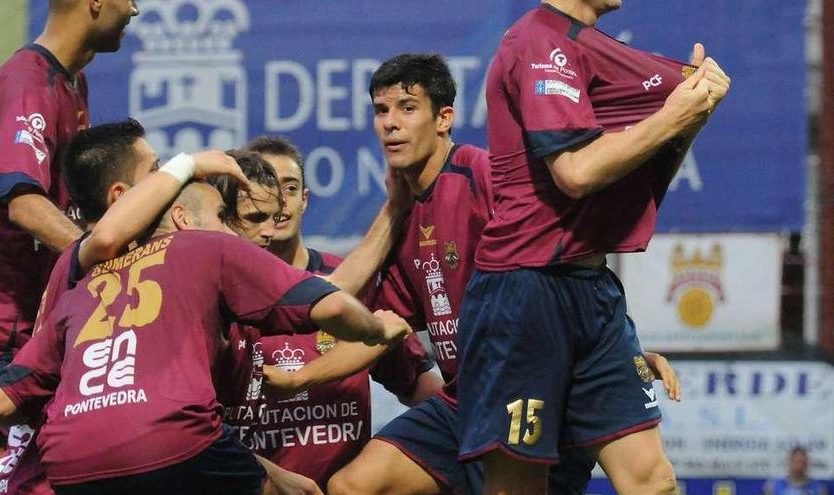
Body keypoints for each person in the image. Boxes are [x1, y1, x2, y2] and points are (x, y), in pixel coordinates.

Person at [325, 52, 682, 495]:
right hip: (466, 401)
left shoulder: (483, 175)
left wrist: (613, 352)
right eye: (382, 111)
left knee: (652, 482)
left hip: (535, 388)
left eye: (407, 107)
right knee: (351, 487)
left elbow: (563, 268)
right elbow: (385, 326)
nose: (390, 123)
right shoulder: (405, 215)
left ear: (444, 119)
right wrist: (300, 376)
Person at [0, 173, 411, 494]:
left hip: (72, 461)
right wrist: (376, 328)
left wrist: (86, 412)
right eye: (225, 216)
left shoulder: (84, 285)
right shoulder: (209, 249)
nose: (236, 230)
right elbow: (332, 303)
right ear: (184, 219)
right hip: (175, 440)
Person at [456, 1, 730, 494]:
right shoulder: (539, 41)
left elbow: (638, 158)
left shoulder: (592, 47)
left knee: (655, 482)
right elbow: (576, 172)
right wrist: (675, 113)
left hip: (594, 290)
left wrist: (693, 117)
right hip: (524, 292)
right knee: (517, 488)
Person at [0, 119, 253, 495]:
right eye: (156, 171)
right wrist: (189, 162)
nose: (170, 182)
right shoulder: (89, 260)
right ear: (121, 196)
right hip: (55, 480)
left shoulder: (129, 262)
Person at [0, 2, 139, 491]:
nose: (135, 8)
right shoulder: (27, 82)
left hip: (42, 315)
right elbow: (24, 203)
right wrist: (105, 258)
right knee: (1, 480)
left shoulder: (70, 81)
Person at [212, 140, 441, 492]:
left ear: (304, 197)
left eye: (288, 188)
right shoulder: (215, 294)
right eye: (263, 192)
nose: (279, 203)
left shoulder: (355, 282)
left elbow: (416, 381)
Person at [764, 446, 830, 495]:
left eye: (803, 462)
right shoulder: (773, 486)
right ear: (789, 462)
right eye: (797, 461)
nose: (800, 466)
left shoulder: (818, 488)